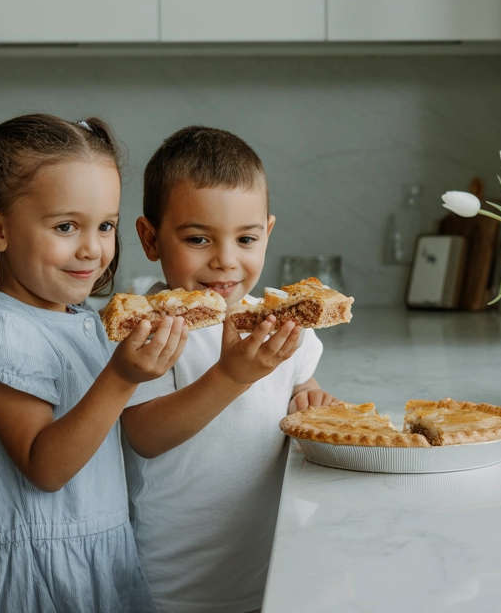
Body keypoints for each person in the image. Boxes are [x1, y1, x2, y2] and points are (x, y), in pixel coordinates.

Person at [0, 114, 187, 612]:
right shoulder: (6, 333)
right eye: (66, 226)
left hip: (100, 564)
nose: (93, 249)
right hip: (35, 579)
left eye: (105, 225)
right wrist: (122, 378)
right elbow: (45, 467)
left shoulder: (81, 320)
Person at [121, 126, 340, 613]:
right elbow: (144, 435)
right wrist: (231, 377)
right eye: (198, 238)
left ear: (268, 232)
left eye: (246, 238)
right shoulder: (150, 329)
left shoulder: (282, 325)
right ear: (151, 238)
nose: (226, 260)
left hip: (266, 568)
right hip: (172, 582)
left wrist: (313, 400)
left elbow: (301, 387)